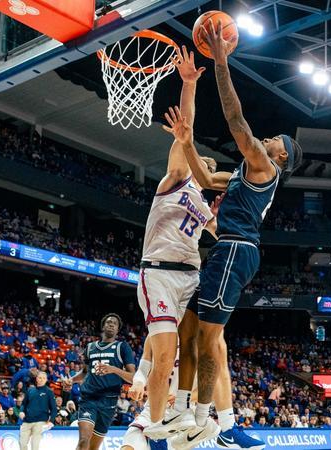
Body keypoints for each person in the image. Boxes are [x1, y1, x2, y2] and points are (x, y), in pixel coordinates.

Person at [162, 18, 304, 450]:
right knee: (191, 328)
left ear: (282, 156)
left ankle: (205, 419)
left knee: (209, 339)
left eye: (276, 139)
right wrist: (186, 140)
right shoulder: (245, 172)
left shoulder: (265, 166)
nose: (269, 137)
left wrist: (221, 61)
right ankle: (186, 410)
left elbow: (236, 119)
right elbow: (206, 178)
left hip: (236, 250)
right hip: (226, 250)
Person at [138, 45, 218, 440]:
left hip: (191, 277)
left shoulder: (206, 208)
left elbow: (227, 233)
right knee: (165, 353)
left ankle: (186, 414)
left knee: (198, 348)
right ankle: (154, 425)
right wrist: (189, 85)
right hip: (159, 275)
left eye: (210, 167)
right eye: (201, 162)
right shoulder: (174, 179)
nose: (205, 166)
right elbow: (187, 126)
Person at [63, 314, 135, 450]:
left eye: (115, 323)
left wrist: (113, 369)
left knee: (93, 447)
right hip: (89, 398)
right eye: (108, 322)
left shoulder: (122, 347)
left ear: (118, 329)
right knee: (83, 440)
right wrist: (71, 380)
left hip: (109, 401)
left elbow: (133, 377)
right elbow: (85, 372)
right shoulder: (90, 347)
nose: (111, 324)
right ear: (103, 326)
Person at [19, 371, 56, 450]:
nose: (42, 380)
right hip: (27, 421)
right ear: (36, 379)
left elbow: (54, 408)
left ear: (46, 380)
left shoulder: (49, 392)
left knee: (35, 445)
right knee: (22, 443)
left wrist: (51, 421)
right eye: (40, 378)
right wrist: (21, 411)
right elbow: (24, 404)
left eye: (44, 378)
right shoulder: (30, 390)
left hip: (40, 421)